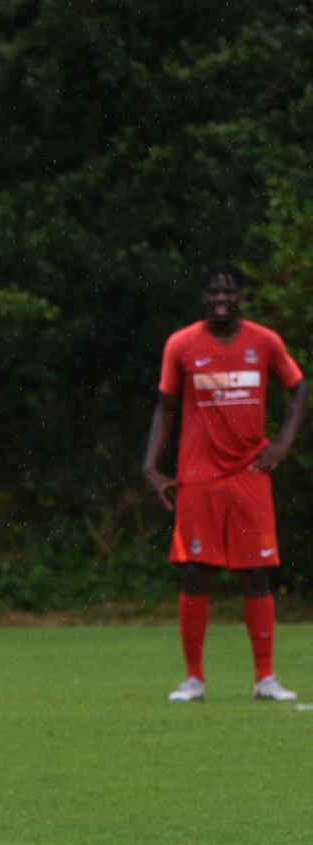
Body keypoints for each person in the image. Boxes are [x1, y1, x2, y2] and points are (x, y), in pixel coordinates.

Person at [143, 262, 306, 703]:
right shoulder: (182, 344)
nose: (221, 299)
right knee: (195, 574)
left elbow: (299, 387)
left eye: (229, 291)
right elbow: (165, 408)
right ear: (203, 297)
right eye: (213, 291)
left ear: (240, 296)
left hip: (250, 475)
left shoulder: (264, 342)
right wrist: (151, 467)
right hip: (197, 477)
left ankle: (265, 678)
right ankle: (193, 678)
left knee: (257, 575)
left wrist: (282, 445)